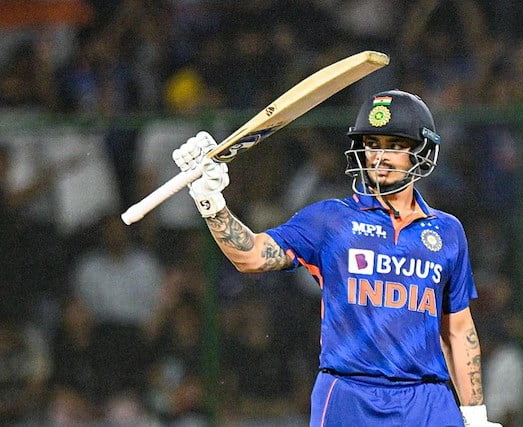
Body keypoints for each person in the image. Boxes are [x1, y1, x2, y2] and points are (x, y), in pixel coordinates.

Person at [171, 90, 502, 426]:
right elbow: (252, 256)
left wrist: (475, 416)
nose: (380, 156)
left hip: (427, 400)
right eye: (372, 144)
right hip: (350, 395)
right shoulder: (330, 220)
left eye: (394, 145)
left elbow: (458, 329)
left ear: (421, 150)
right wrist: (211, 201)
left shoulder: (447, 231)